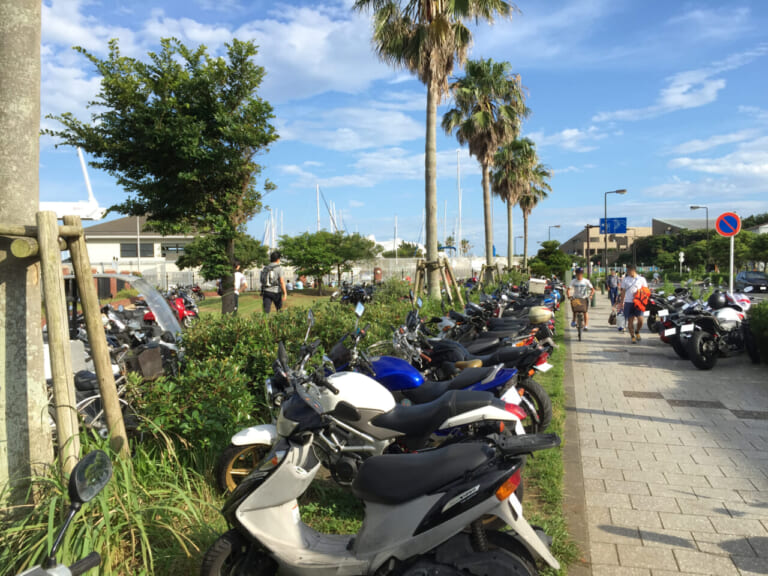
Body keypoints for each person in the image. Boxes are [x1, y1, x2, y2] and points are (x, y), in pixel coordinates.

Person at [619, 264, 648, 344]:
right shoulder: (625, 279)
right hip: (628, 302)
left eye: (629, 271)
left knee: (641, 320)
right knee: (630, 321)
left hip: (638, 302)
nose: (627, 272)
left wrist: (639, 293)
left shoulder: (641, 279)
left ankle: (637, 331)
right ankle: (632, 336)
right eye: (627, 271)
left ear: (633, 270)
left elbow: (646, 290)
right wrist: (622, 302)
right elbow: (623, 291)